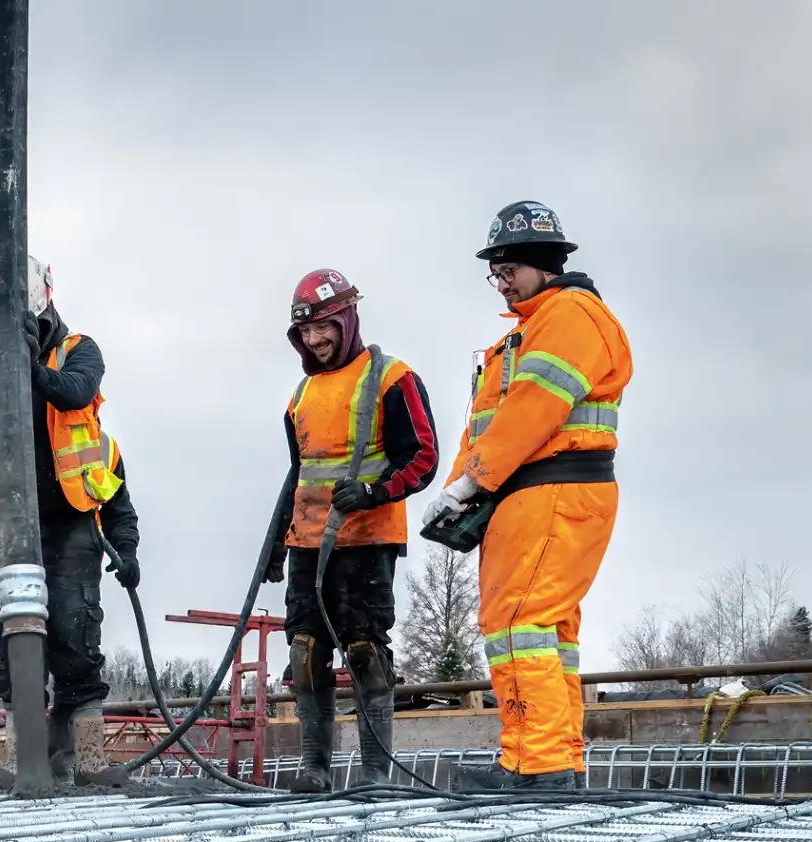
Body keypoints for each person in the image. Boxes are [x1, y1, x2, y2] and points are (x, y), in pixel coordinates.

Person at [421, 201, 632, 790]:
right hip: (532, 492)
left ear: (545, 262)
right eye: (496, 270)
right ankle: (554, 761)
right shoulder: (529, 332)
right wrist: (459, 488)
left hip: (553, 487)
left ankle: (534, 767)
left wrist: (472, 481)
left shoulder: (571, 316)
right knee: (547, 630)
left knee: (519, 622)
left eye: (510, 266)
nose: (502, 279)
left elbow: (530, 411)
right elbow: (488, 425)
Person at [0, 256, 140, 785]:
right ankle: (20, 755)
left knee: (76, 636)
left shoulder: (79, 350)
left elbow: (77, 391)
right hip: (8, 526)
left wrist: (28, 369)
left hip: (71, 522)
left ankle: (85, 757)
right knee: (12, 631)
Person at [264, 269, 439, 791]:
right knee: (306, 654)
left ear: (346, 320)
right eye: (305, 333)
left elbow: (422, 457)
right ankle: (314, 769)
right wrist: (277, 543)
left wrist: (373, 493)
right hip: (307, 544)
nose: (315, 341)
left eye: (323, 329)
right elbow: (298, 477)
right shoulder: (301, 396)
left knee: (365, 653)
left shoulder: (391, 378)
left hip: (366, 541)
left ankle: (373, 773)